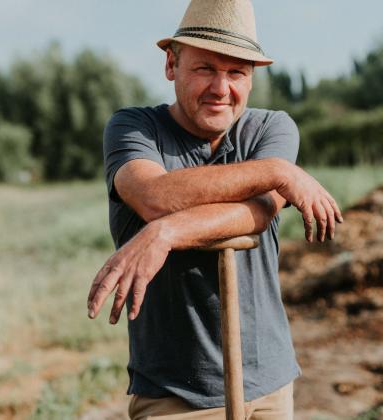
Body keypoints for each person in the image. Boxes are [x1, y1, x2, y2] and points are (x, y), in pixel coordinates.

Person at [87, 0, 343, 418]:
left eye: (237, 72)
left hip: (268, 387)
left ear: (252, 78)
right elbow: (154, 195)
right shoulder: (134, 128)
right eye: (205, 68)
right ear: (172, 64)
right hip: (174, 395)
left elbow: (258, 214)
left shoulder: (271, 128)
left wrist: (165, 232)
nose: (221, 88)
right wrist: (278, 172)